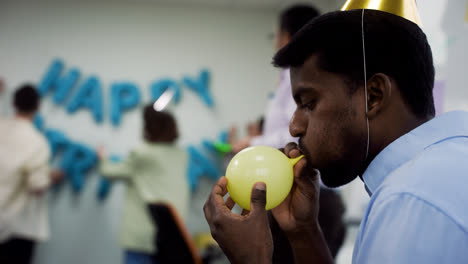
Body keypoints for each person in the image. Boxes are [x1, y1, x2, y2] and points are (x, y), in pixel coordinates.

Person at [204, 8, 468, 264]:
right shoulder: (446, 164)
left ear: (373, 96)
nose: (294, 127)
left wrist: (254, 259)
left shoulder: (410, 201)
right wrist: (303, 232)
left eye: (308, 103)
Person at [98, 104, 189, 264]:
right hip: (171, 237)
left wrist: (103, 157)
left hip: (142, 237)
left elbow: (109, 171)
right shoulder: (181, 155)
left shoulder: (142, 154)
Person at [232, 5, 320, 153]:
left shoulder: (300, 78)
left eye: (276, 36)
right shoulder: (292, 76)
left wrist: (254, 142)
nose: (275, 42)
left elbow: (300, 134)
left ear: (285, 37)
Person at [0, 84, 62, 264]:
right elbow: (37, 186)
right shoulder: (37, 142)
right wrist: (51, 176)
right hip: (15, 229)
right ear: (37, 106)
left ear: (13, 103)